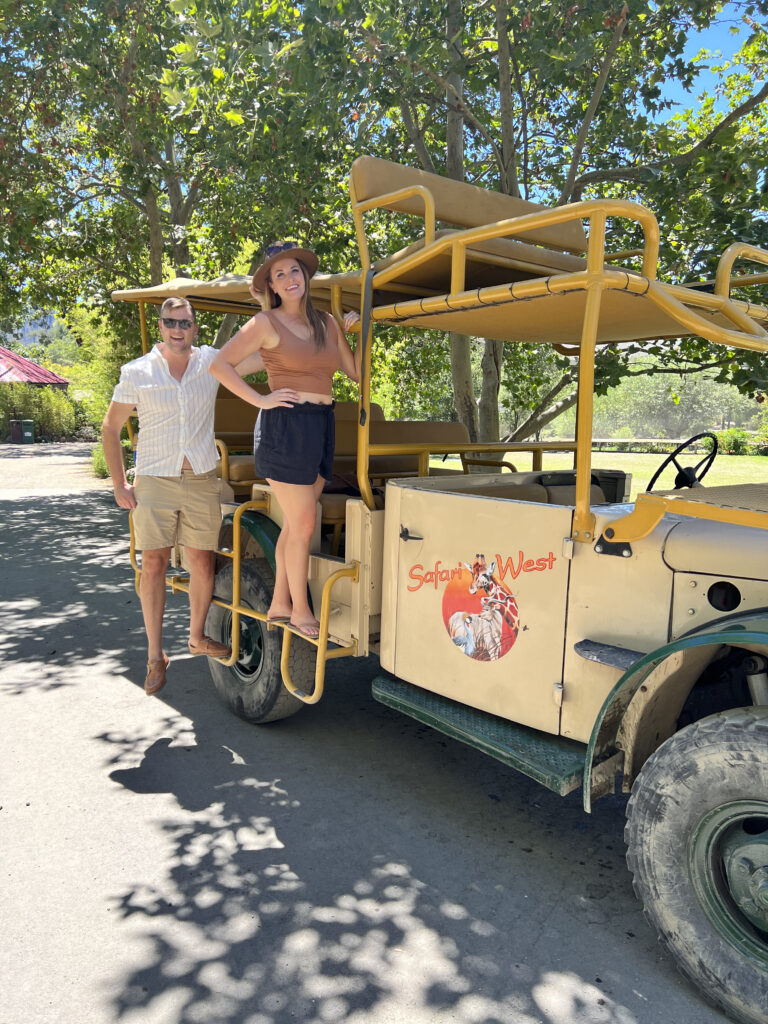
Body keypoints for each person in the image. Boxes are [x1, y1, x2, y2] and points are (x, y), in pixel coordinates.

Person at [102, 296, 264, 695]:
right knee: (154, 563)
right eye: (170, 322)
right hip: (155, 479)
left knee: (201, 562)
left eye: (185, 323)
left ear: (195, 327)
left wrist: (319, 326)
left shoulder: (212, 362)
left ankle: (195, 638)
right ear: (161, 326)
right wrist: (119, 483)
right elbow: (110, 428)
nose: (178, 330)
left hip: (202, 477)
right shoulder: (137, 372)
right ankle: (156, 656)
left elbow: (263, 354)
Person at [210, 241, 360, 639]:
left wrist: (358, 331)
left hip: (322, 424)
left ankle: (278, 602)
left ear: (305, 276)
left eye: (295, 270)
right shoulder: (266, 324)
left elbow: (356, 374)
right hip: (284, 427)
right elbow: (217, 364)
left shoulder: (326, 323)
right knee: (305, 523)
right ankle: (299, 609)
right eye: (280, 275)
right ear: (272, 287)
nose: (290, 279)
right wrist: (260, 398)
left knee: (296, 525)